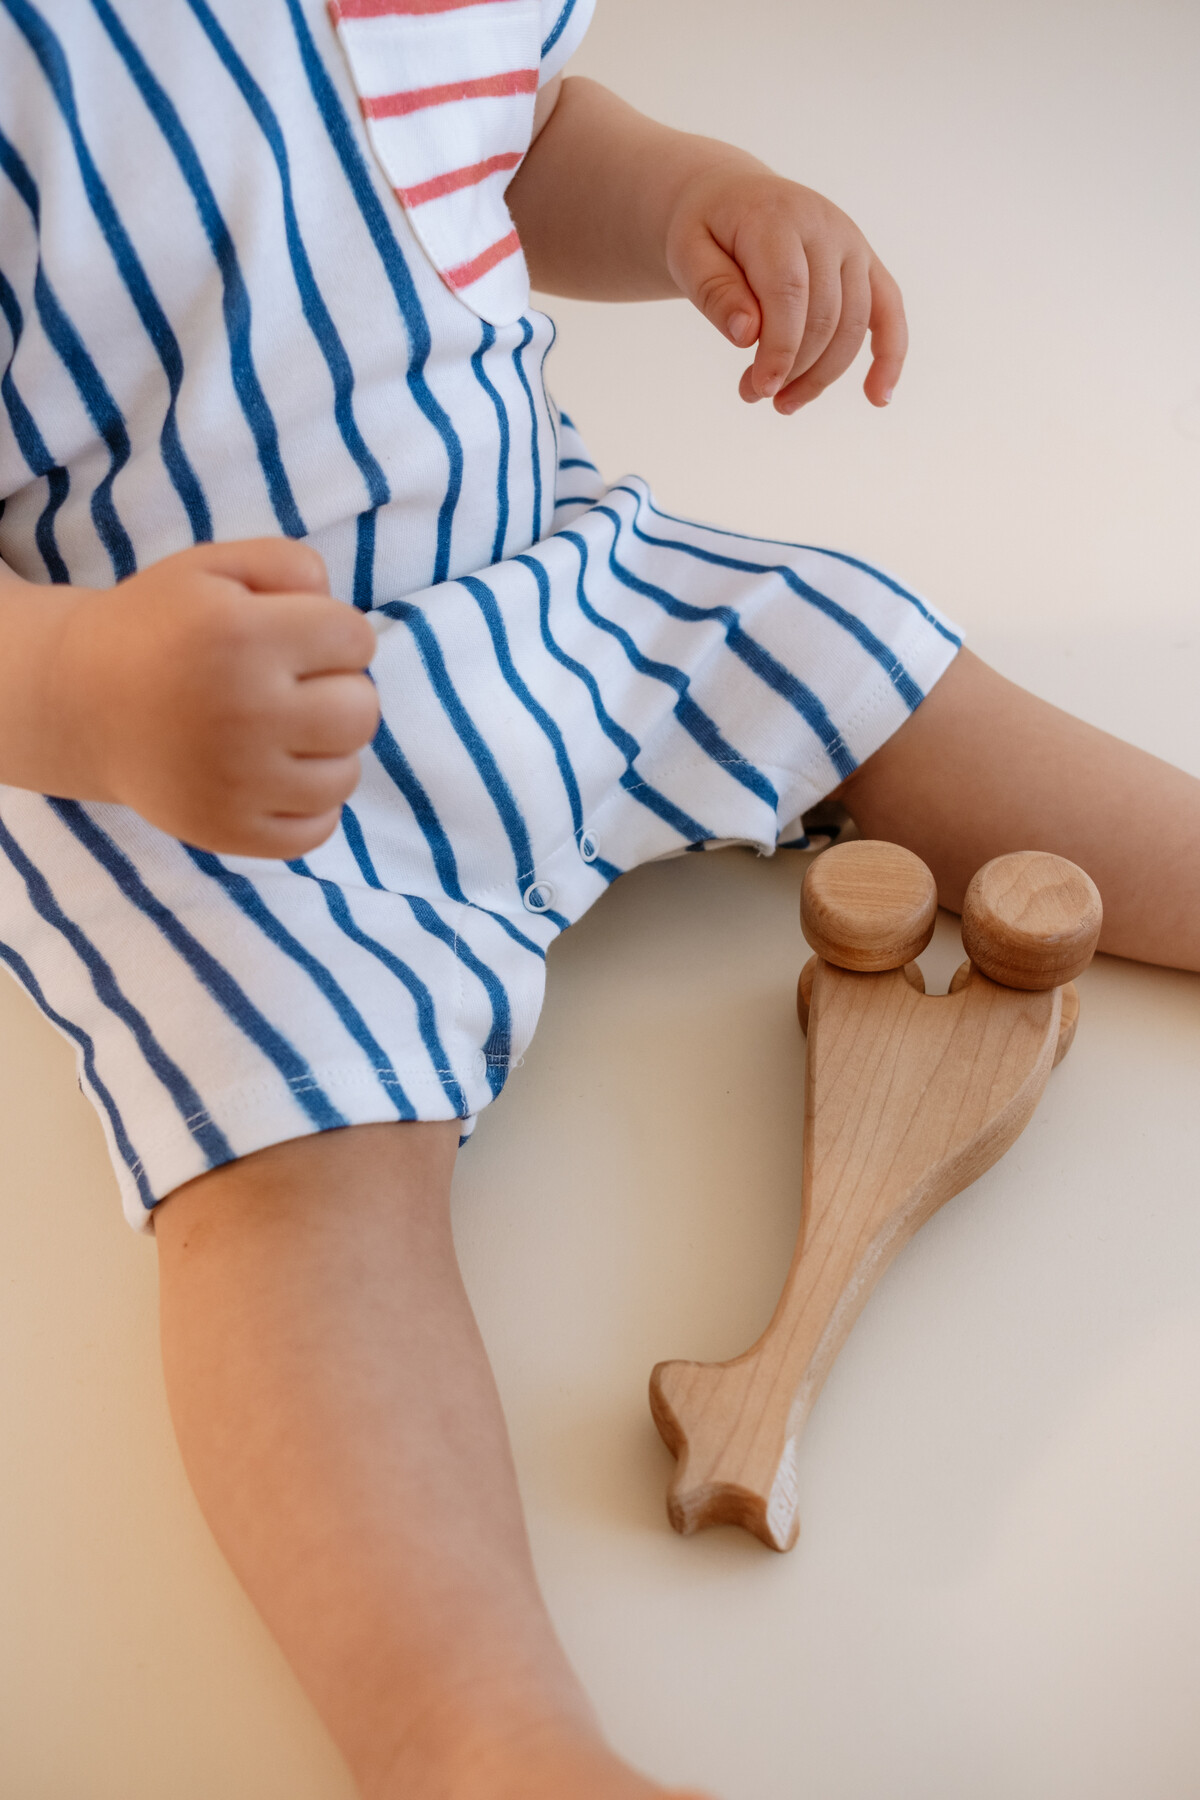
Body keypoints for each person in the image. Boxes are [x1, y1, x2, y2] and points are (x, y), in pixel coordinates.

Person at [0, 3, 1196, 1795]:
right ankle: (479, 1738)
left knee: (852, 638)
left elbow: (507, 135)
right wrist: (90, 690)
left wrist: (691, 195)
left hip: (562, 590)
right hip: (212, 766)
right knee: (289, 1169)